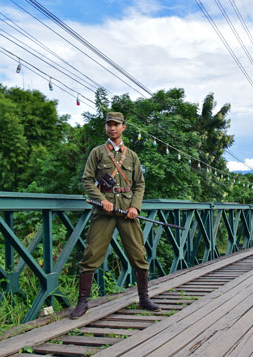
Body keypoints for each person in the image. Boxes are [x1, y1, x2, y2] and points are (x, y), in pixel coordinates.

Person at [70, 112, 160, 319]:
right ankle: (82, 303)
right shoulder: (98, 152)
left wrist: (135, 207)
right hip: (104, 211)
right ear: (106, 128)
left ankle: (144, 298)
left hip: (127, 211)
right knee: (91, 254)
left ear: (123, 128)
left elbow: (140, 184)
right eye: (109, 125)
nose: (112, 128)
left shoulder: (132, 156)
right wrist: (102, 200)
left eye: (116, 125)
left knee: (139, 254)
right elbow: (87, 180)